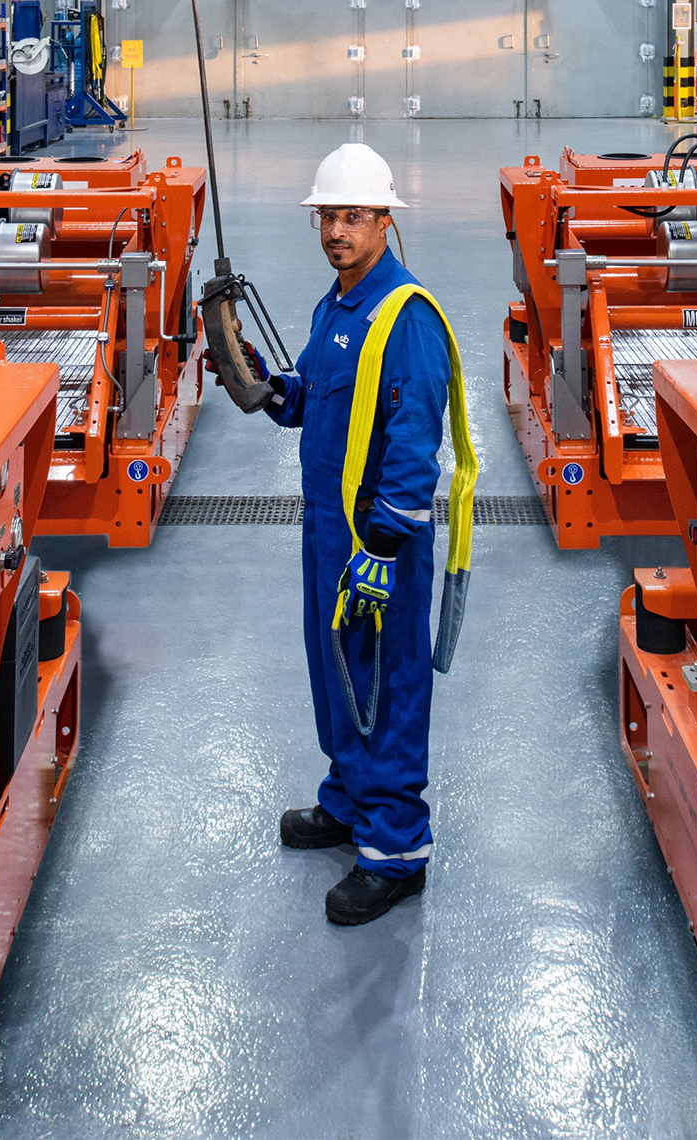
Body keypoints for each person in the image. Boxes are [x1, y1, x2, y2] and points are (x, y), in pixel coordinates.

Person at [208, 143, 466, 925]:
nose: (336, 231)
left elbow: (415, 442)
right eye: (327, 216)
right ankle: (349, 803)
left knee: (384, 688)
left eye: (352, 216)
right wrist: (263, 384)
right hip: (326, 528)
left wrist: (384, 545)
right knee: (336, 678)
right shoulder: (337, 305)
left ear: (385, 221)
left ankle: (395, 849)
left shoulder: (405, 317)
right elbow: (321, 400)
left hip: (375, 541)